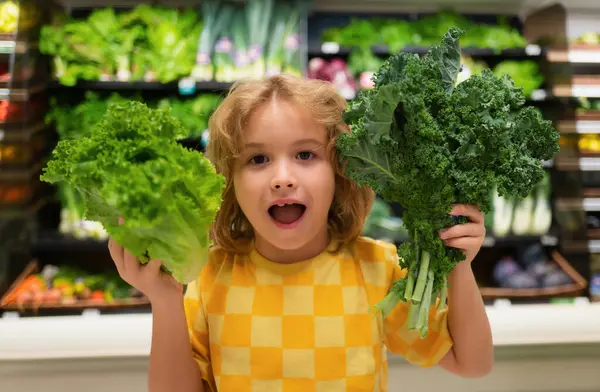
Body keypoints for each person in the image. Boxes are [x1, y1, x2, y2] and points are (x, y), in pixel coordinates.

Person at [108, 74, 494, 392]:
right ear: (229, 183)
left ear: (342, 171)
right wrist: (163, 299)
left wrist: (457, 264)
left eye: (305, 155)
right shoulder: (210, 277)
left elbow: (472, 363)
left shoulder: (376, 268)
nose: (282, 179)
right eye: (258, 159)